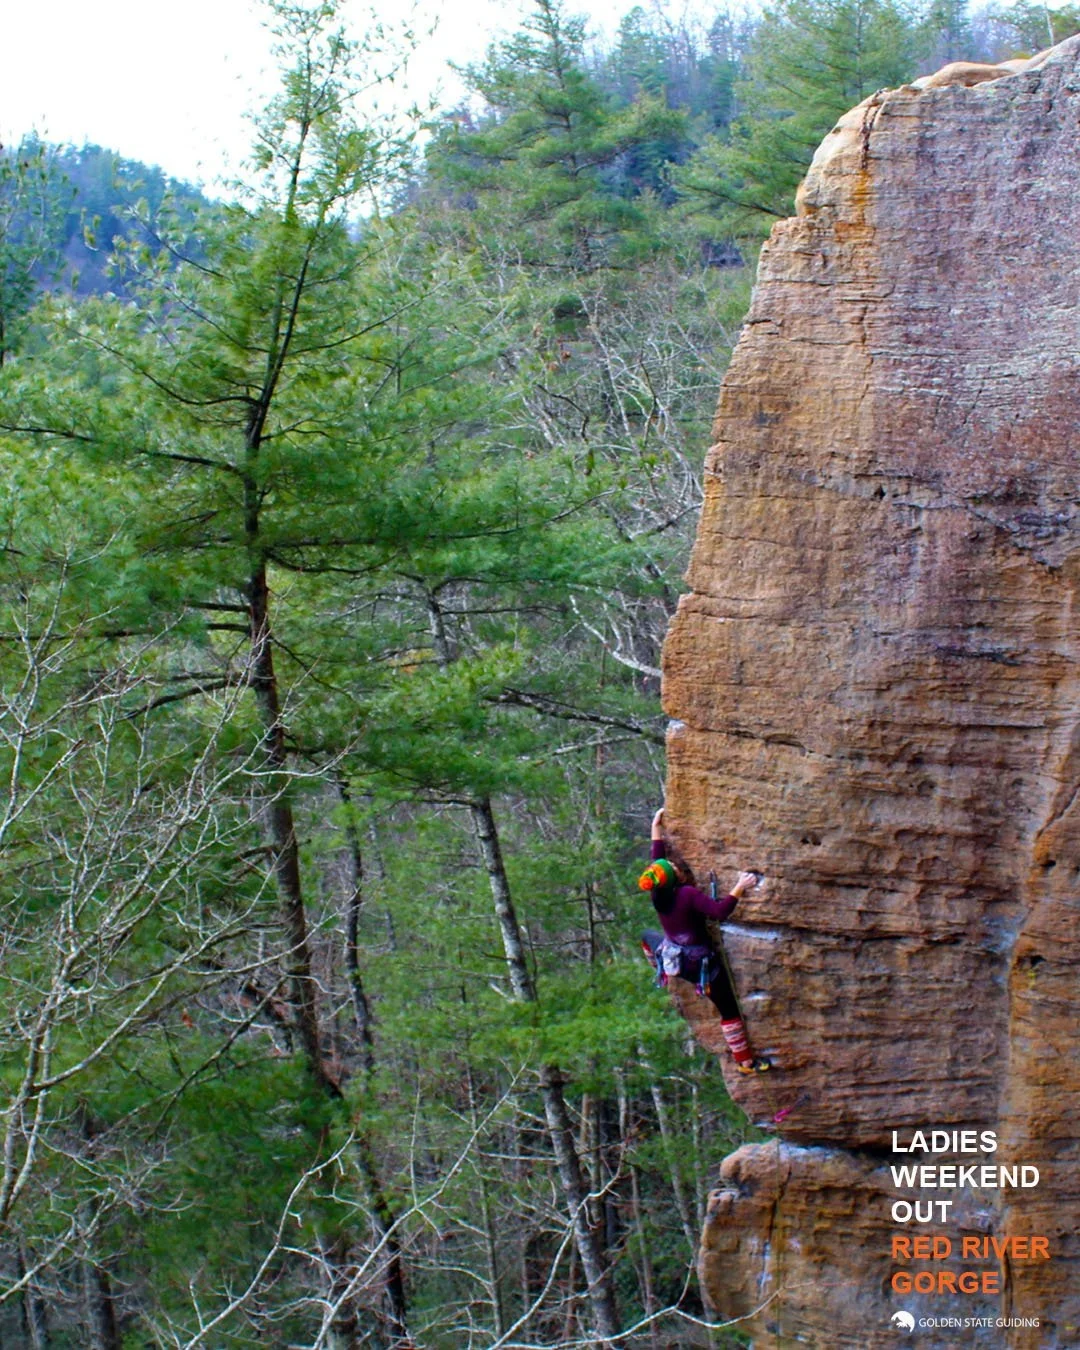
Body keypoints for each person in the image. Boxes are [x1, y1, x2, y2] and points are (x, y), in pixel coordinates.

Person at [640, 806, 770, 1074]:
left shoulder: (658, 895)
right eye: (673, 866)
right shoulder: (686, 894)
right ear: (673, 877)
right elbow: (720, 911)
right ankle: (745, 1061)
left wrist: (656, 827)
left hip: (672, 956)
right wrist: (740, 886)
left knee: (646, 936)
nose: (675, 864)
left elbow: (658, 860)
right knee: (728, 1008)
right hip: (700, 966)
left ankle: (657, 966)